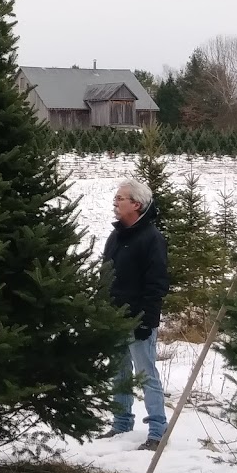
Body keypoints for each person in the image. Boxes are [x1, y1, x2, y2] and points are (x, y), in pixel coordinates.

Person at [100, 178, 169, 451]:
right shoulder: (115, 237)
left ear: (137, 204)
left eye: (121, 198)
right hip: (113, 317)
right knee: (118, 372)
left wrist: (147, 321)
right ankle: (121, 423)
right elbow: (105, 277)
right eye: (116, 198)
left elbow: (157, 284)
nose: (115, 203)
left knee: (146, 374)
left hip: (138, 319)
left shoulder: (152, 239)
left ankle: (157, 431)